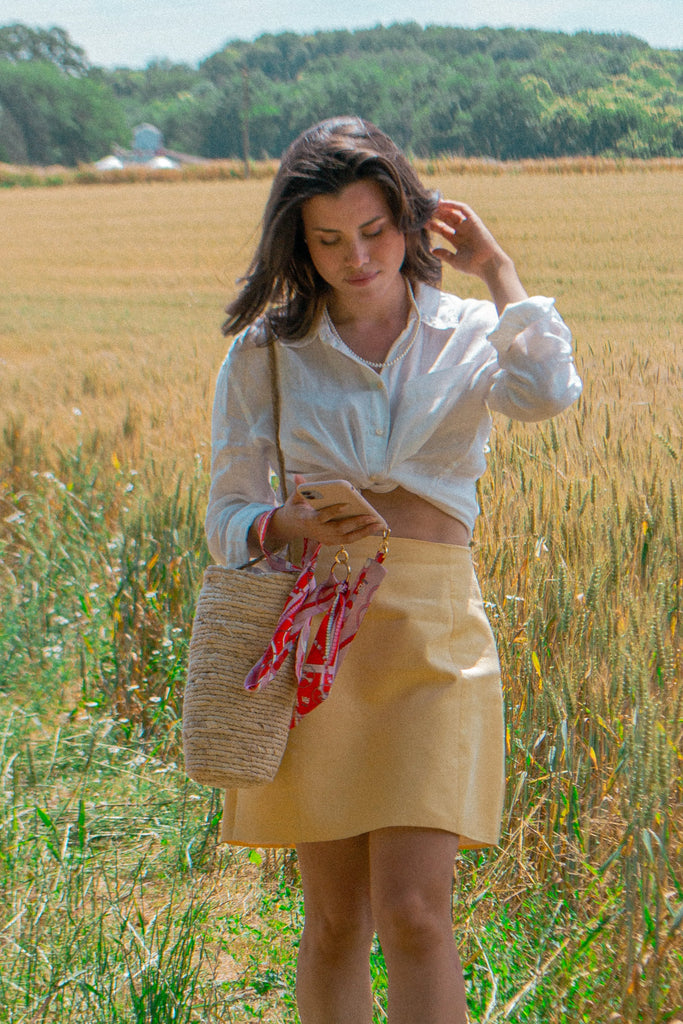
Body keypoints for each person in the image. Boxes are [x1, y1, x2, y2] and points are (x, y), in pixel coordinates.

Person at [205, 116, 582, 1024]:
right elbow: (224, 516)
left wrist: (498, 270)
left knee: (417, 913)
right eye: (329, 239)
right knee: (336, 919)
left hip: (434, 635)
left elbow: (547, 394)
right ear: (298, 242)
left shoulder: (469, 328)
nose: (357, 257)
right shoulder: (266, 353)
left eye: (374, 231)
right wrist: (281, 523)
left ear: (412, 222)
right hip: (317, 636)